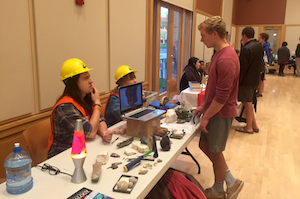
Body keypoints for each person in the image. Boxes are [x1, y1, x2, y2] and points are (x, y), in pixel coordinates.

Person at [195, 16, 243, 199]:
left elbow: (222, 96)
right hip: (214, 109)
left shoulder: (227, 59)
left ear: (215, 34)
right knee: (206, 146)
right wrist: (203, 107)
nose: (201, 39)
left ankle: (219, 188)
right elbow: (214, 88)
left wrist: (207, 116)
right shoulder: (217, 54)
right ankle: (229, 182)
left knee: (215, 150)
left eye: (203, 35)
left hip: (220, 113)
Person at [48, 58, 113, 158]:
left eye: (89, 77)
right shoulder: (64, 108)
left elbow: (100, 120)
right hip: (63, 157)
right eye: (86, 78)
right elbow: (90, 132)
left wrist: (104, 133)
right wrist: (97, 104)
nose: (91, 81)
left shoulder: (86, 99)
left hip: (84, 151)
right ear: (74, 83)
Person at [236, 27, 264, 134]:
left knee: (247, 103)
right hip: (255, 79)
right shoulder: (259, 46)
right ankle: (254, 125)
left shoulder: (246, 48)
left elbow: (242, 68)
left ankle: (249, 128)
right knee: (249, 103)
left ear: (244, 35)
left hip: (246, 80)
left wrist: (238, 82)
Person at [257, 33, 271, 97]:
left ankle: (260, 93)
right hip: (261, 64)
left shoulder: (266, 48)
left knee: (261, 79)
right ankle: (259, 91)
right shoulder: (262, 46)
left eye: (260, 38)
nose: (258, 39)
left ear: (263, 39)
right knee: (260, 79)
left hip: (262, 65)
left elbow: (266, 58)